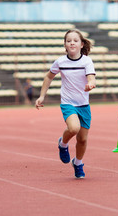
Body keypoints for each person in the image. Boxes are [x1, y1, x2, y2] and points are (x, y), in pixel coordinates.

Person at [35, 29, 96, 179]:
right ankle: (63, 144)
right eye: (69, 41)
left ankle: (78, 162)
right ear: (65, 45)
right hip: (68, 103)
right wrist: (42, 95)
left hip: (83, 105)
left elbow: (91, 78)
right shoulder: (60, 61)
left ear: (81, 44)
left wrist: (91, 84)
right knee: (74, 128)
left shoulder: (86, 61)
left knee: (82, 139)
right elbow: (49, 77)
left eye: (75, 40)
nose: (72, 43)